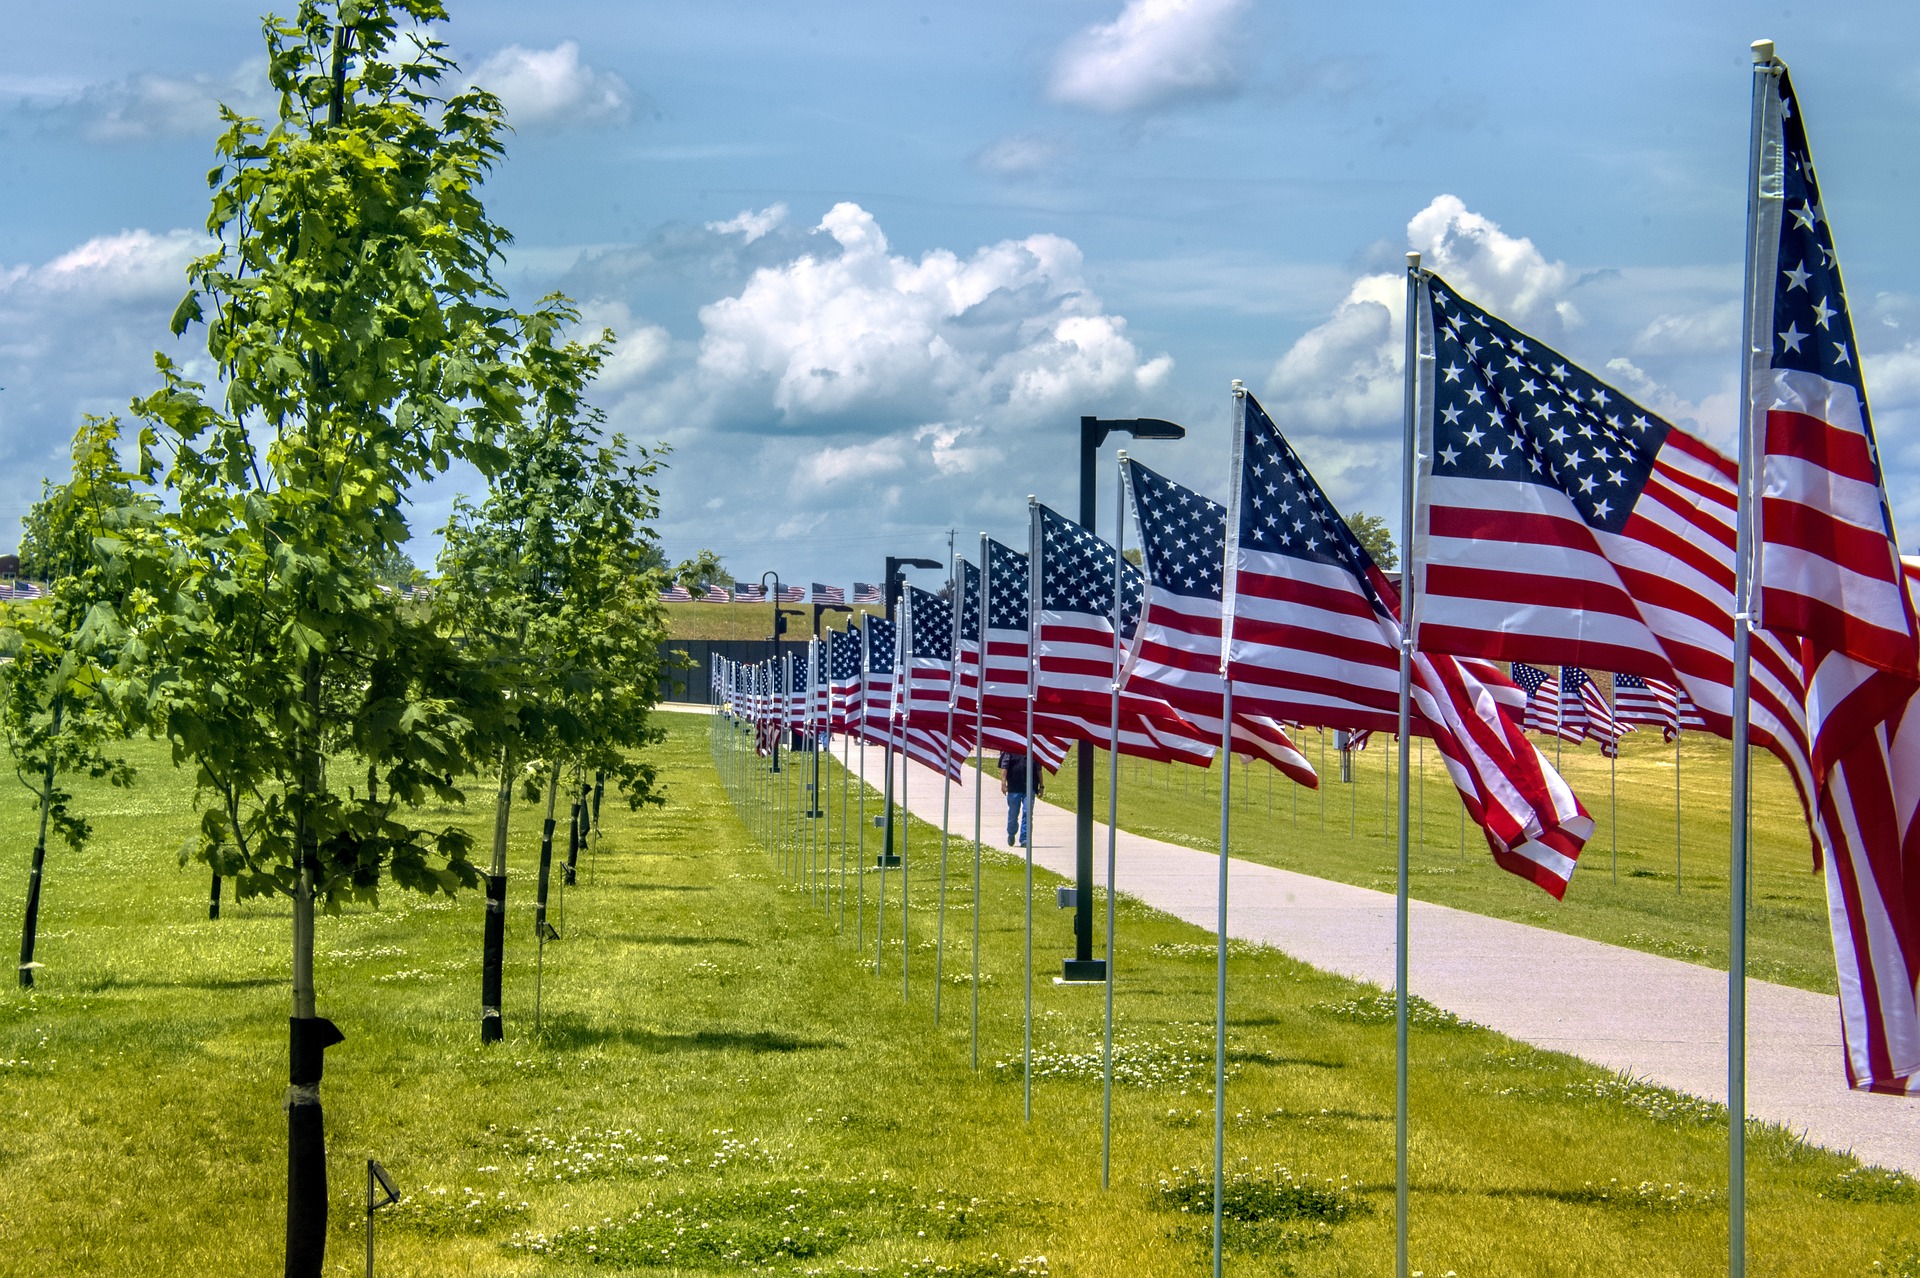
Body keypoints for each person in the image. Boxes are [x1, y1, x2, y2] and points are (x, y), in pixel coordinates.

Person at [998, 749, 1042, 846]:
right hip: (1014, 788)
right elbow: (1004, 767)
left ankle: (1024, 838)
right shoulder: (1010, 750)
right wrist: (1003, 783)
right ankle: (1011, 833)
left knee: (1028, 813)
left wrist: (1041, 786)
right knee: (1013, 814)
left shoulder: (1034, 751)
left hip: (1030, 788)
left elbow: (1039, 769)